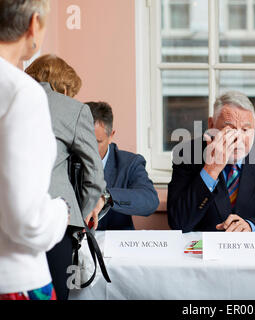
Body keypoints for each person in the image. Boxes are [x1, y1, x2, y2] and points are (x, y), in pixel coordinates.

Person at [25, 54, 111, 300]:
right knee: (54, 294)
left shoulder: (9, 98)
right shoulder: (73, 109)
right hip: (56, 221)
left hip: (8, 219)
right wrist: (81, 215)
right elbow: (94, 175)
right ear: (63, 87)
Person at [0, 0, 69, 300]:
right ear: (33, 24)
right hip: (14, 278)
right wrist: (61, 211)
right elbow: (27, 222)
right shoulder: (21, 93)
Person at [168, 91, 255, 234]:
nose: (238, 138)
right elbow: (178, 222)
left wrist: (251, 226)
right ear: (211, 124)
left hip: (253, 249)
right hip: (204, 248)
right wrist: (211, 170)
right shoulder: (187, 154)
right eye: (229, 129)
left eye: (245, 130)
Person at [86, 101, 160, 230]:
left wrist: (106, 197)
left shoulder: (130, 163)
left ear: (111, 136)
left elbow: (150, 201)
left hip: (116, 245)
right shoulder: (64, 160)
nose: (89, 149)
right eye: (84, 141)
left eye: (97, 142)